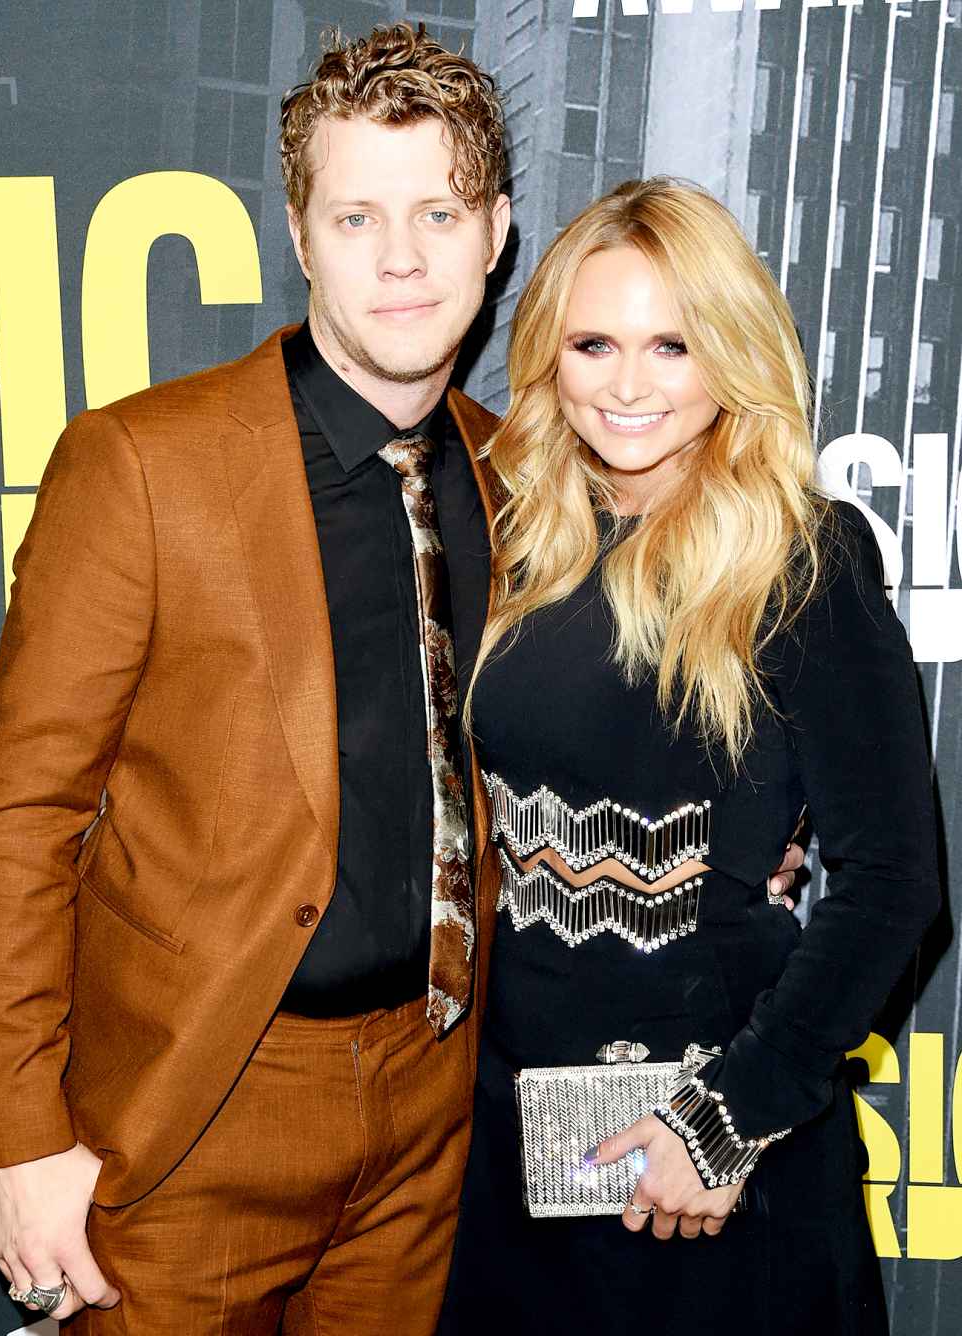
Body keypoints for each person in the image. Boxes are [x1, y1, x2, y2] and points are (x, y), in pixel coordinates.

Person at [0, 26, 802, 1335]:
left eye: (437, 212)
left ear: (497, 233)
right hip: (191, 1120)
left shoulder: (525, 474)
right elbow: (19, 817)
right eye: (357, 215)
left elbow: (609, 730)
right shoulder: (140, 466)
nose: (401, 258)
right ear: (300, 235)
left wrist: (745, 848)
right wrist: (19, 1140)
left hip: (439, 1113)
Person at [438, 178, 939, 1336]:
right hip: (514, 1152)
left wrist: (725, 1122)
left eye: (672, 344)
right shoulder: (509, 537)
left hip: (721, 1165)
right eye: (593, 343)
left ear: (730, 352)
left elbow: (891, 886)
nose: (626, 385)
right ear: (547, 354)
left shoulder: (799, 557)